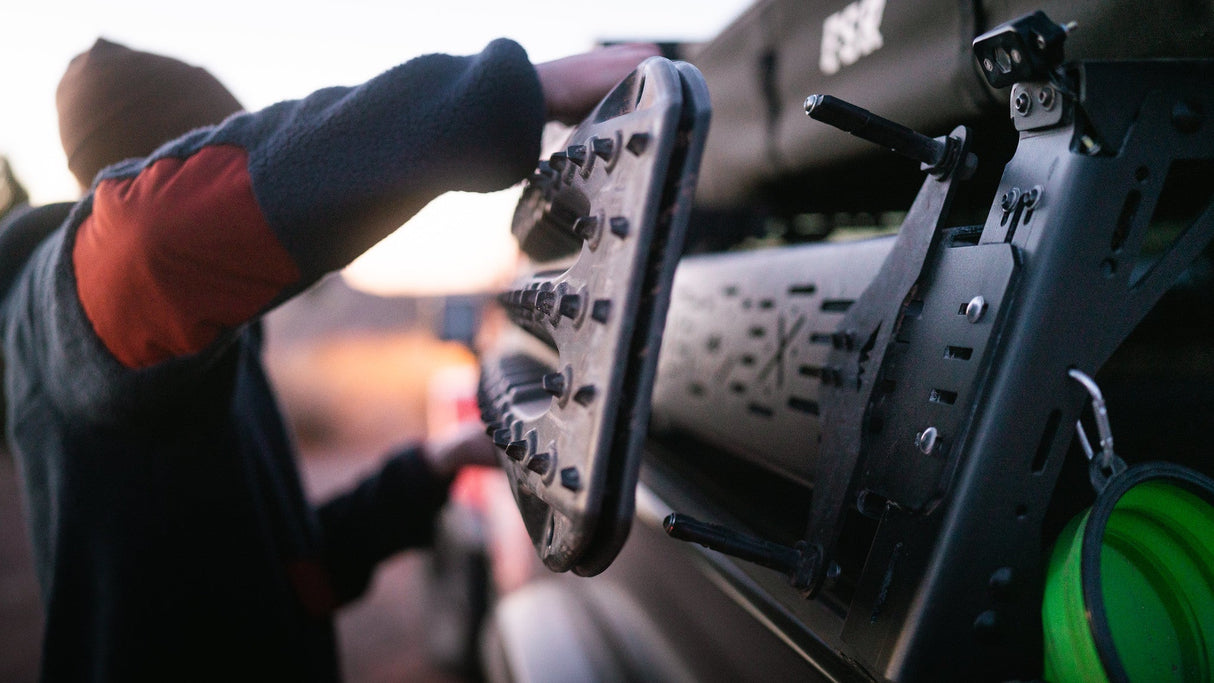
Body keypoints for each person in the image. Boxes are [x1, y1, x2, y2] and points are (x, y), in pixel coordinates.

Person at [0, 36, 659, 681]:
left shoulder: (195, 347)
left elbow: (288, 576)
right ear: (156, 172)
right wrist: (516, 92)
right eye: (215, 154)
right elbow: (146, 240)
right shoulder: (61, 310)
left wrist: (434, 464)